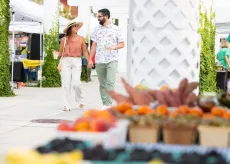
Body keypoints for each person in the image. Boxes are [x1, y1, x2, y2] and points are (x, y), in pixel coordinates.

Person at [89, 8, 125, 109]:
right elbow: (94, 45)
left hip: (112, 59)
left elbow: (122, 44)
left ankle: (109, 105)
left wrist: (113, 47)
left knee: (110, 82)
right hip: (99, 60)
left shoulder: (116, 29)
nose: (98, 18)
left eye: (99, 17)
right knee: (102, 84)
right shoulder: (96, 29)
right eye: (97, 16)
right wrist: (90, 59)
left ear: (106, 17)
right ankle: (105, 104)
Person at [58, 18, 91, 111]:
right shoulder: (64, 40)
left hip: (77, 61)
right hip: (65, 61)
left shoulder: (81, 39)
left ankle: (80, 99)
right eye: (75, 26)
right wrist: (56, 59)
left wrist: (90, 61)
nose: (77, 27)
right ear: (70, 28)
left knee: (76, 84)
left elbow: (84, 52)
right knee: (66, 84)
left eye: (77, 26)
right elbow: (60, 52)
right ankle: (67, 105)